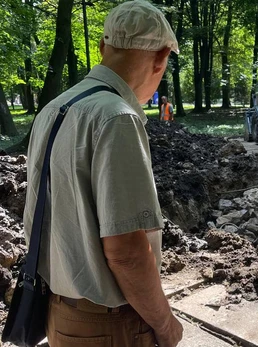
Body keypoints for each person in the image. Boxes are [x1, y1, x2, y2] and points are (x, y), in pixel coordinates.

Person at [23, 1, 183, 346]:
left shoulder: (55, 109)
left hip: (59, 313)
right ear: (161, 58)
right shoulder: (117, 118)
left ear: (102, 48)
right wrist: (166, 325)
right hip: (110, 326)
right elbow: (126, 252)